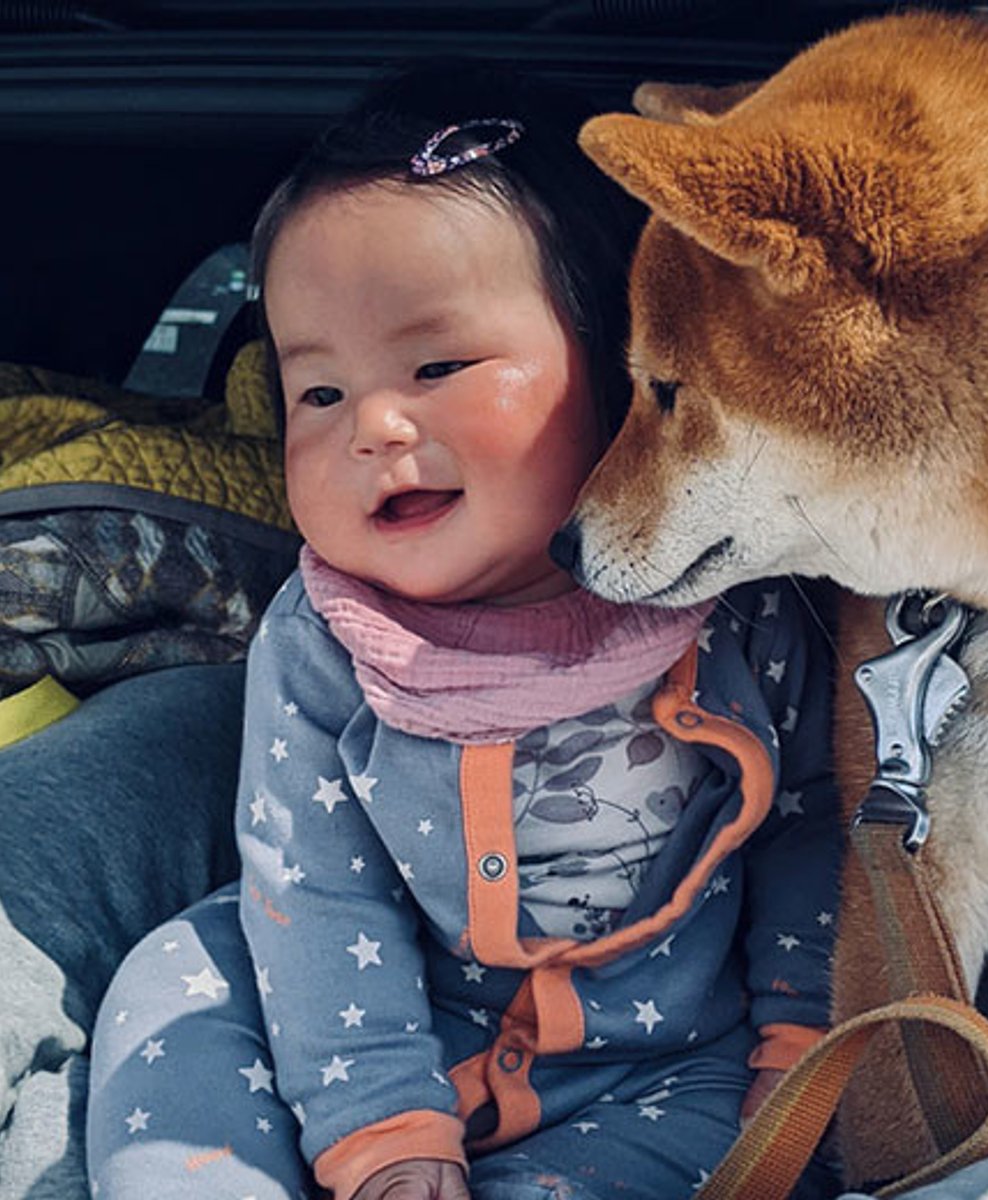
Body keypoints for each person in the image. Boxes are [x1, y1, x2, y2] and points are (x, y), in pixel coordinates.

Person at [85, 59, 842, 1200]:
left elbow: (812, 828)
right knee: (176, 982)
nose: (375, 427)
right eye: (319, 393)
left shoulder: (736, 598)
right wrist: (383, 1126)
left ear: (622, 362)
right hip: (364, 1029)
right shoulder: (328, 637)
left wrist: (802, 1048)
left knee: (735, 1146)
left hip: (667, 1067)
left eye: (437, 366)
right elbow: (315, 889)